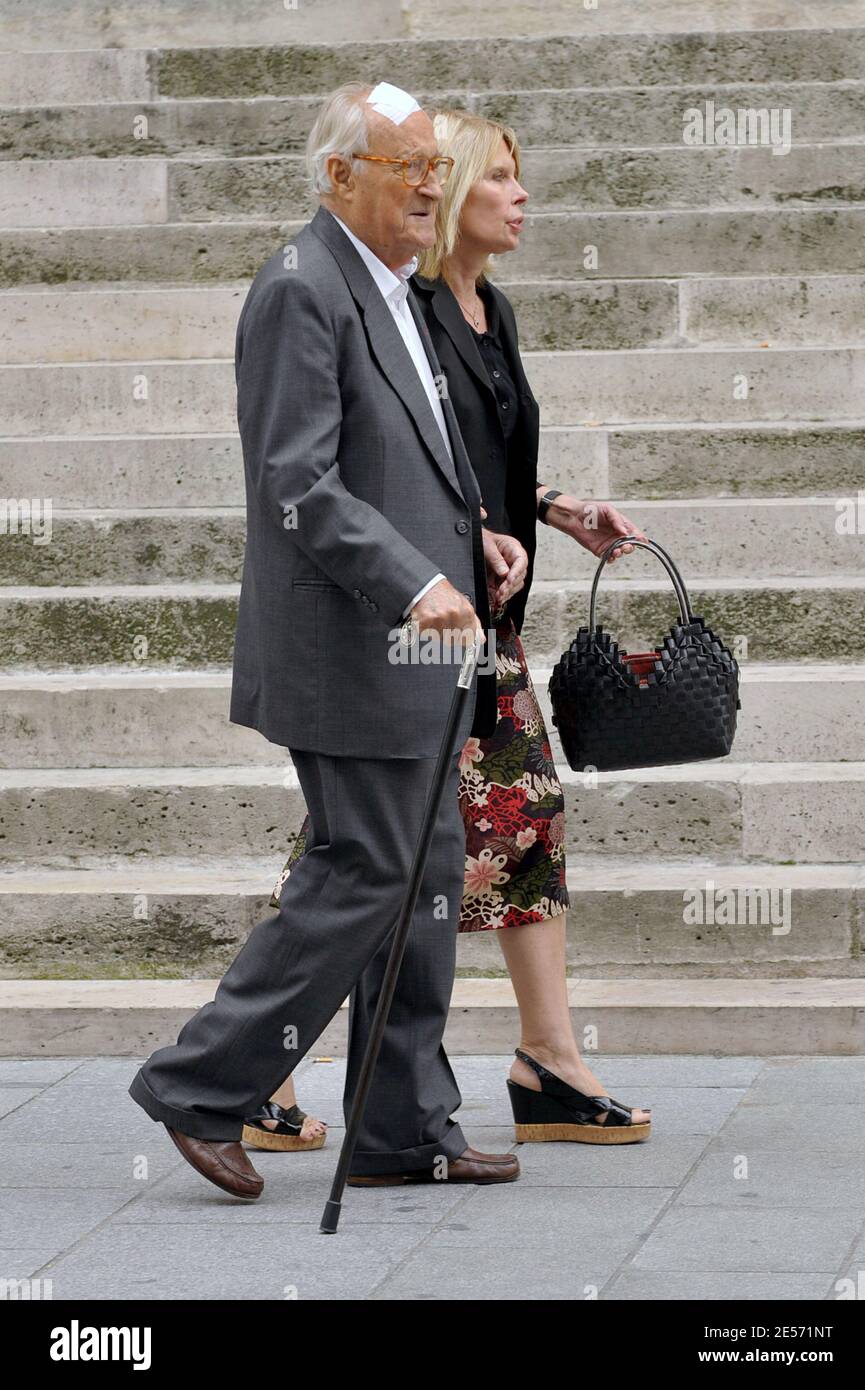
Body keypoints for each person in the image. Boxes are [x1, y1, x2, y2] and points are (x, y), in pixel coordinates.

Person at [128, 81, 534, 1197]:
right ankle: (201, 1082)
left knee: (428, 875)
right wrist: (414, 581)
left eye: (432, 166)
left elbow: (397, 458)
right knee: (365, 868)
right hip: (348, 646)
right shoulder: (302, 288)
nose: (427, 182)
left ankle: (404, 1122)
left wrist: (480, 534)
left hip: (411, 647)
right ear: (335, 177)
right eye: (403, 164)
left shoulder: (393, 288)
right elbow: (296, 484)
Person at [249, 108, 653, 1155]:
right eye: (500, 179)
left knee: (513, 828)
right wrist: (438, 562)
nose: (519, 198)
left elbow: (481, 459)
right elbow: (359, 468)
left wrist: (555, 508)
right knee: (363, 854)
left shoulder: (488, 313)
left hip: (481, 620)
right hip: (416, 626)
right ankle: (260, 1067)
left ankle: (542, 1060)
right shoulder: (402, 307)